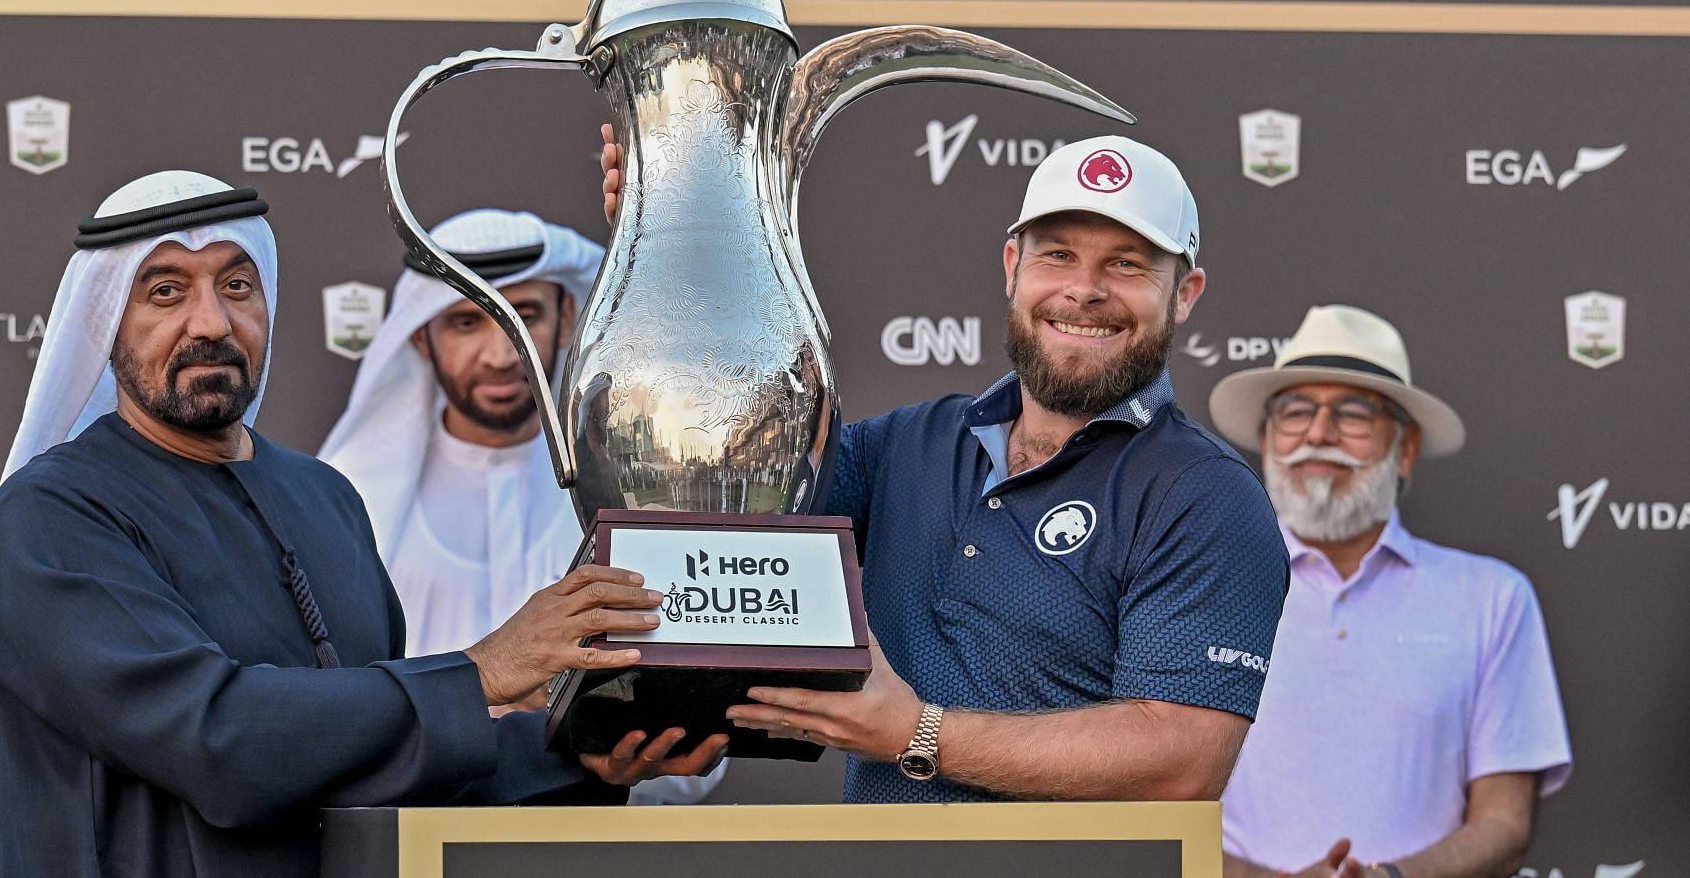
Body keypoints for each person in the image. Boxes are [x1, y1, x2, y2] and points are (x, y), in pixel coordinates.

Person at [0, 171, 722, 878]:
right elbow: (216, 743)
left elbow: (375, 775)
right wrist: (482, 670)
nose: (211, 322)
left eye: (237, 284)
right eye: (164, 292)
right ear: (105, 324)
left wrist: (578, 753)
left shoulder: (323, 496)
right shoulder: (55, 514)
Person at [598, 130, 1291, 803]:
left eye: (1127, 264)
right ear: (1012, 265)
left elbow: (1181, 762)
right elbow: (722, 508)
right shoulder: (907, 444)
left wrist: (916, 733)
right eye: (1057, 255)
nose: (1084, 290)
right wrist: (676, 253)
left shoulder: (1204, 496)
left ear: (1186, 293)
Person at [320, 208, 724, 804]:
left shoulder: (640, 482)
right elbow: (332, 721)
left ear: (567, 316)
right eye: (465, 322)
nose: (500, 353)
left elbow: (691, 734)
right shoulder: (347, 499)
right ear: (419, 337)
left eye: (524, 316)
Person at [1208, 304, 1571, 878]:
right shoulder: (1193, 591)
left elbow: (1505, 825)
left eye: (1352, 414)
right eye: (1296, 412)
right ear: (1267, 439)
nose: (1318, 435)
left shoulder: (1492, 599)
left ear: (1404, 450)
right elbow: (1150, 820)